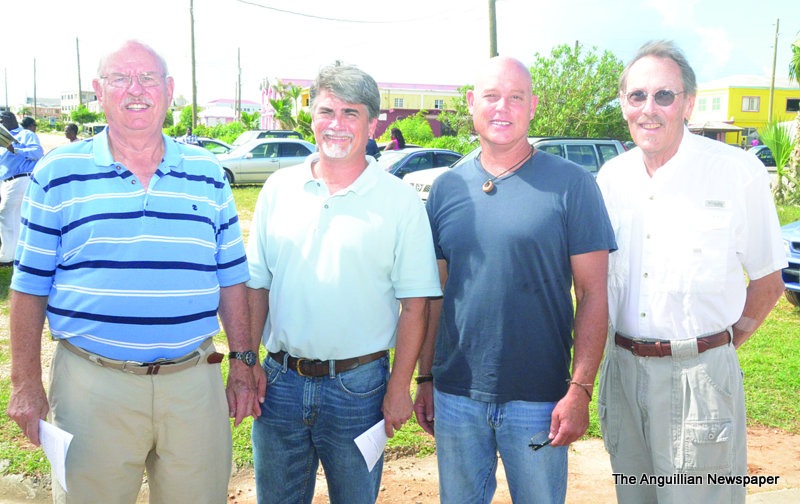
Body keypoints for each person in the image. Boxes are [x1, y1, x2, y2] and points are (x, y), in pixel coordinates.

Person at [6, 40, 259, 504]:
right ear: (99, 92)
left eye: (147, 78)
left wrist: (244, 363)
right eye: (120, 79)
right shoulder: (56, 172)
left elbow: (232, 280)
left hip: (193, 384)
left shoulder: (208, 173)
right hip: (91, 386)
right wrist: (24, 383)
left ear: (169, 90)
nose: (135, 90)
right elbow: (28, 287)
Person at [414, 56, 616, 504]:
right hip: (456, 396)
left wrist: (579, 389)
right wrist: (425, 377)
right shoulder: (447, 188)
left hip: (540, 400)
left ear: (532, 105)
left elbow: (593, 292)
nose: (502, 107)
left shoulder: (573, 184)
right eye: (491, 96)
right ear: (471, 104)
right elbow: (436, 297)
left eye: (516, 97)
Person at [595, 40, 786, 504]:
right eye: (637, 96)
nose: (649, 108)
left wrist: (717, 348)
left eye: (664, 95)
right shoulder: (610, 179)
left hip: (700, 379)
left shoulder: (736, 172)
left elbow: (768, 280)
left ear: (689, 103)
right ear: (624, 104)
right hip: (621, 375)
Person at [246, 63, 442, 504]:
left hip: (361, 390)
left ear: (373, 124)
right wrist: (247, 360)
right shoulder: (278, 190)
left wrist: (399, 387)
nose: (336, 124)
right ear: (311, 117)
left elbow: (417, 305)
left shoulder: (400, 202)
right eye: (326, 111)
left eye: (351, 113)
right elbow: (256, 285)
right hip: (278, 384)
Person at [0, 111, 43, 266]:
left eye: (2, 119)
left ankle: (6, 257)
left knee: (6, 214)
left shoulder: (25, 134)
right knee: (15, 219)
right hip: (6, 182)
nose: (0, 122)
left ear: (11, 119)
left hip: (21, 179)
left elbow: (37, 152)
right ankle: (16, 253)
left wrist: (15, 149)